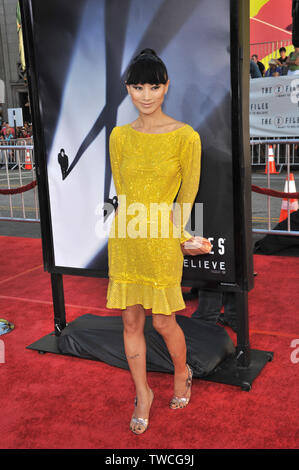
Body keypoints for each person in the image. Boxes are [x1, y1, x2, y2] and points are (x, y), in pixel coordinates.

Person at [106, 48, 203, 435]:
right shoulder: (118, 136)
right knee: (130, 320)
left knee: (164, 321)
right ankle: (142, 393)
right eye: (138, 87)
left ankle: (182, 372)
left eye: (154, 86)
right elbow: (121, 189)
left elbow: (188, 197)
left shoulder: (185, 137)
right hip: (127, 238)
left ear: (166, 87)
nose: (146, 95)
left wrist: (181, 236)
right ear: (128, 89)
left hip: (163, 240)